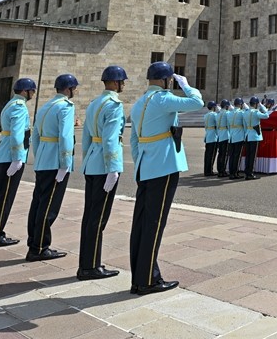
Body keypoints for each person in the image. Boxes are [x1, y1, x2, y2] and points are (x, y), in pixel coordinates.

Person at [128, 61, 202, 295]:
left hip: (146, 166)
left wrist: (143, 160)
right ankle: (148, 279)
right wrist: (187, 86)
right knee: (154, 224)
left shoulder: (140, 103)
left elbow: (133, 141)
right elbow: (197, 102)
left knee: (141, 224)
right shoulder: (162, 99)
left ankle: (139, 277)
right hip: (163, 167)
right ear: (166, 80)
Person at [78, 65, 127, 281]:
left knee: (90, 215)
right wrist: (113, 168)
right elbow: (110, 139)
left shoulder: (94, 104)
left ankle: (87, 262)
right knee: (98, 218)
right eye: (122, 82)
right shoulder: (114, 105)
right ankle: (90, 266)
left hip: (92, 162)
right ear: (116, 83)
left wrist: (88, 160)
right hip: (104, 166)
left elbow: (87, 138)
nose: (123, 85)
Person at [26, 74, 77, 262]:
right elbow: (65, 137)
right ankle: (40, 247)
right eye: (74, 88)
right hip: (56, 161)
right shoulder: (65, 107)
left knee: (38, 204)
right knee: (49, 207)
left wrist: (39, 156)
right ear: (68, 89)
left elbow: (36, 136)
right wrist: (65, 163)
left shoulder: (45, 107)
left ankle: (34, 242)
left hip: (43, 160)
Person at [0, 77, 36, 248]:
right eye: (32, 90)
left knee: (0, 196)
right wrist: (17, 158)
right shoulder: (19, 107)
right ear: (25, 91)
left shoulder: (11, 104)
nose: (33, 94)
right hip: (10, 157)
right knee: (4, 197)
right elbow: (17, 134)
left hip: (4, 155)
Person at [243, 97, 267, 180]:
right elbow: (266, 115)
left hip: (247, 135)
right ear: (256, 104)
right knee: (252, 156)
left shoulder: (246, 112)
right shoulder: (256, 112)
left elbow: (244, 124)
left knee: (248, 155)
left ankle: (247, 172)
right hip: (254, 136)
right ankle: (250, 173)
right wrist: (262, 106)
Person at [226, 97, 247, 179]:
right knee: (237, 156)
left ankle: (231, 172)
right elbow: (245, 125)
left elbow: (228, 125)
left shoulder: (229, 113)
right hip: (239, 136)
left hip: (231, 136)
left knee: (231, 156)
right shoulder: (242, 113)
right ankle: (235, 173)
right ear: (241, 104)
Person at [202, 101, 219, 176]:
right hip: (213, 136)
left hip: (208, 135)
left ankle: (206, 170)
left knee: (207, 154)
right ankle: (209, 171)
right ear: (213, 107)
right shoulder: (214, 115)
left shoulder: (205, 115)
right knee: (212, 154)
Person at [215, 99, 231, 176]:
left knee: (220, 153)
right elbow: (229, 124)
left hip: (219, 134)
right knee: (224, 153)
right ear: (226, 106)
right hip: (225, 134)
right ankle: (222, 171)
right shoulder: (227, 113)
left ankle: (219, 170)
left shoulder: (218, 114)